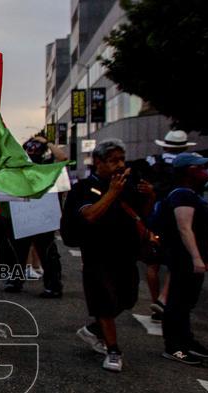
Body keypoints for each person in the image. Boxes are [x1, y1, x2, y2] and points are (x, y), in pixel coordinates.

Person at [64, 139, 154, 373]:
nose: (119, 165)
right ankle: (113, 349)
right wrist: (112, 193)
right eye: (114, 161)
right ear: (98, 162)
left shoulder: (128, 184)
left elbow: (141, 216)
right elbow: (90, 215)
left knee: (127, 298)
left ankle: (94, 330)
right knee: (104, 300)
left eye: (122, 160)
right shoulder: (84, 187)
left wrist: (149, 196)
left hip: (125, 252)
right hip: (97, 253)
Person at [159, 153, 208, 365]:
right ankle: (175, 348)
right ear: (190, 171)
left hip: (190, 258)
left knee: (185, 303)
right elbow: (184, 228)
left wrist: (204, 256)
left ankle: (186, 341)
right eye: (200, 167)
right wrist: (196, 258)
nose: (205, 171)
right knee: (178, 302)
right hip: (183, 258)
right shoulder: (182, 195)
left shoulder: (191, 194)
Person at [141, 129, 195, 321]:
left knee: (152, 262)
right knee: (177, 260)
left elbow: (143, 184)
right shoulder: (189, 164)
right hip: (180, 212)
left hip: (156, 212)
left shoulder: (153, 161)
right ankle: (165, 299)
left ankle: (157, 302)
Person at [22, 135, 66, 298]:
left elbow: (63, 157)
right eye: (30, 148)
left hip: (44, 214)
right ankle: (16, 280)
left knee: (47, 251)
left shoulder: (48, 166)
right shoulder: (23, 167)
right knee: (20, 249)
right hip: (25, 214)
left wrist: (47, 142)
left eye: (35, 147)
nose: (32, 150)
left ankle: (53, 285)